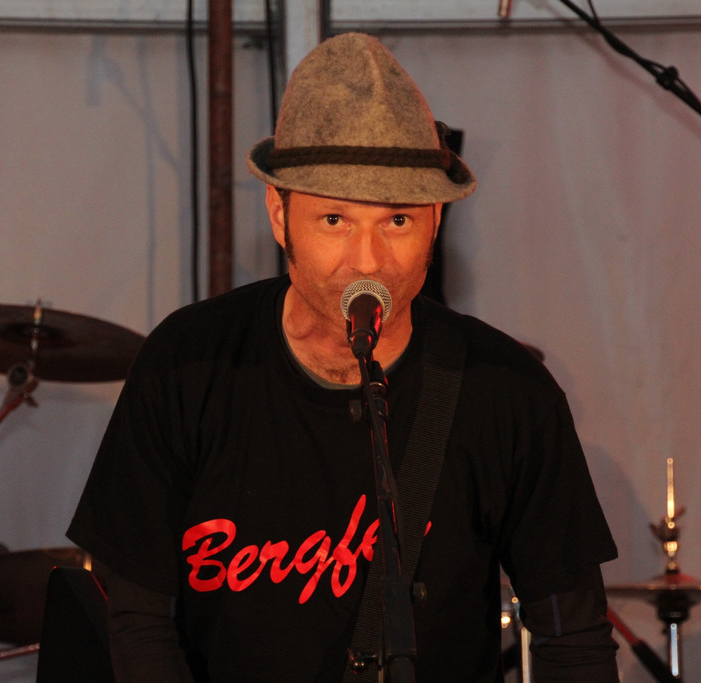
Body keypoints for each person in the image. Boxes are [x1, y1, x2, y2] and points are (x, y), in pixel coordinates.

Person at [67, 32, 619, 682]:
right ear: (280, 216)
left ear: (436, 221)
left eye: (397, 221)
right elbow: (138, 621)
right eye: (335, 220)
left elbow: (573, 639)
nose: (368, 260)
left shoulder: (506, 391)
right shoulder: (187, 365)